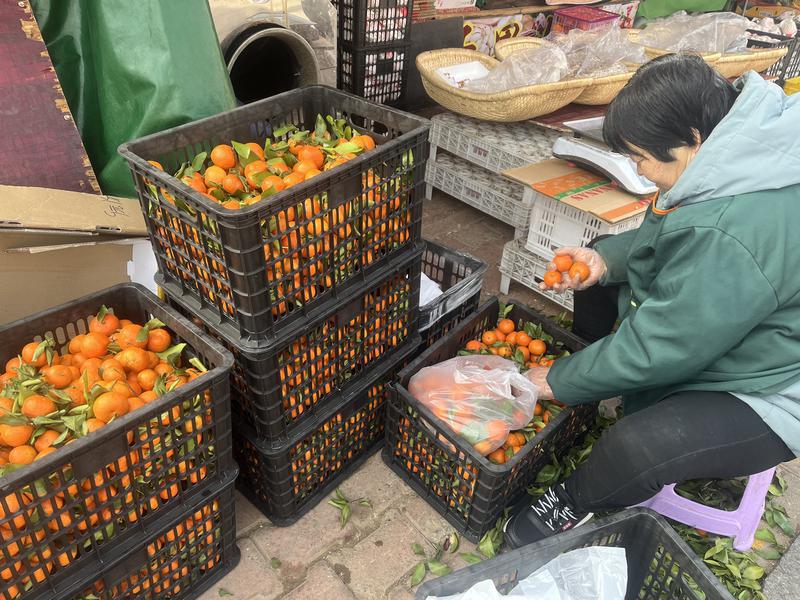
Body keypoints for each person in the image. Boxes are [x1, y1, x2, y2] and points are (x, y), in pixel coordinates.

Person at [504, 53, 800, 548]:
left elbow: (662, 347)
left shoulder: (735, 226)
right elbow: (670, 244)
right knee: (599, 278)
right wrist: (607, 262)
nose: (640, 171)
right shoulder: (730, 156)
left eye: (641, 158)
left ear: (692, 137)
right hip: (732, 326)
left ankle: (572, 501)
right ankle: (595, 384)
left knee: (639, 447)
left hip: (771, 384)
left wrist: (555, 379)